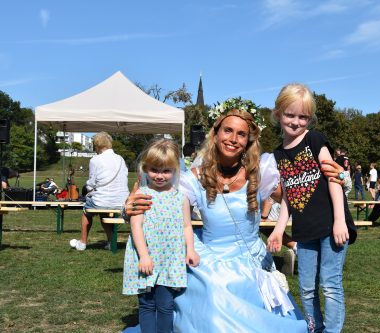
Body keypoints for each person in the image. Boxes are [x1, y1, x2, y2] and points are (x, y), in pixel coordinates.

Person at [124, 106, 308, 332]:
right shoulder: (195, 178)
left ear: (249, 140)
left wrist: (280, 229)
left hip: (250, 258)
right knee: (216, 285)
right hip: (210, 257)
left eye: (241, 134)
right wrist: (128, 209)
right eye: (228, 131)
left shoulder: (259, 174)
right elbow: (159, 206)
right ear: (216, 134)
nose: (233, 139)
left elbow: (295, 197)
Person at [267, 83, 357, 333]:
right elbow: (289, 195)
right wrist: (278, 229)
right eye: (290, 115)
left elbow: (333, 179)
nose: (296, 122)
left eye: (303, 117)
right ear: (278, 114)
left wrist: (340, 220)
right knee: (306, 288)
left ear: (310, 119)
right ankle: (314, 328)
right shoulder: (278, 154)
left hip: (331, 227)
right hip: (305, 231)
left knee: (330, 284)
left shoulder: (314, 139)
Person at [122, 139, 199, 333]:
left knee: (165, 305)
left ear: (175, 170)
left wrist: (190, 249)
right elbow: (136, 226)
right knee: (147, 304)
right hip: (146, 259)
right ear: (146, 168)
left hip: (170, 259)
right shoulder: (142, 195)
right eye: (154, 170)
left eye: (166, 170)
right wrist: (144, 255)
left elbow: (186, 226)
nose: (160, 175)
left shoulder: (180, 198)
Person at [70, 132, 129, 251]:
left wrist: (87, 188)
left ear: (97, 145)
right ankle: (110, 241)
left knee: (87, 210)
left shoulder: (95, 160)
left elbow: (91, 183)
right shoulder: (120, 159)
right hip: (122, 201)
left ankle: (82, 242)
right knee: (104, 212)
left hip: (103, 199)